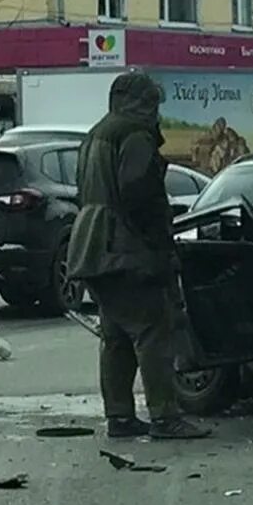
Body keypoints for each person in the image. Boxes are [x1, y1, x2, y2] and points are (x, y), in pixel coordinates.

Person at [66, 72, 211, 440]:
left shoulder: (98, 132)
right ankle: (165, 416)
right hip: (126, 249)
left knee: (116, 335)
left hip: (92, 246)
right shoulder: (135, 134)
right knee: (152, 331)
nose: (157, 110)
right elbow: (140, 194)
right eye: (154, 102)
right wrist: (158, 244)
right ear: (144, 102)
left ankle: (120, 416)